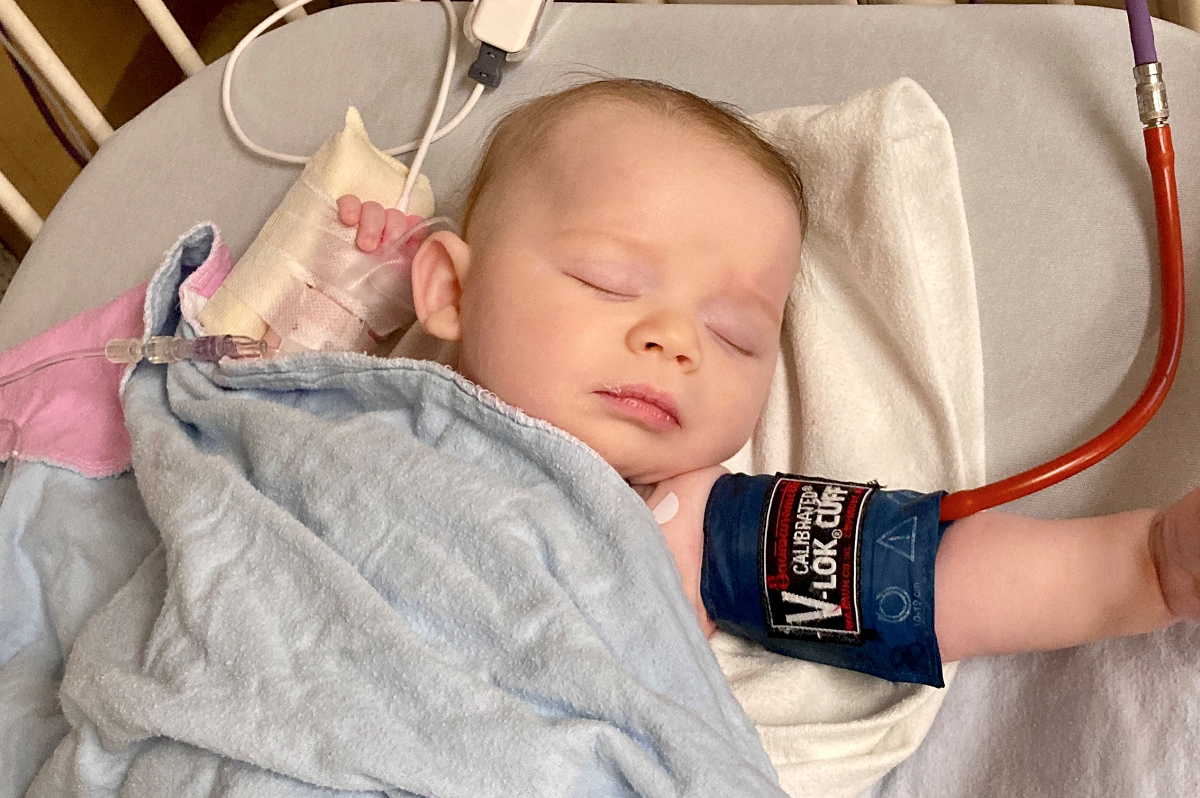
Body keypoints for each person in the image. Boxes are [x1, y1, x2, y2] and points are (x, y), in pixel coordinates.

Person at [336, 78, 1200, 668]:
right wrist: (352, 270)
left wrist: (1153, 563)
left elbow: (928, 580)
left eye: (734, 335)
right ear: (450, 289)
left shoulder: (687, 525)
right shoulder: (348, 404)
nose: (675, 340)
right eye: (609, 281)